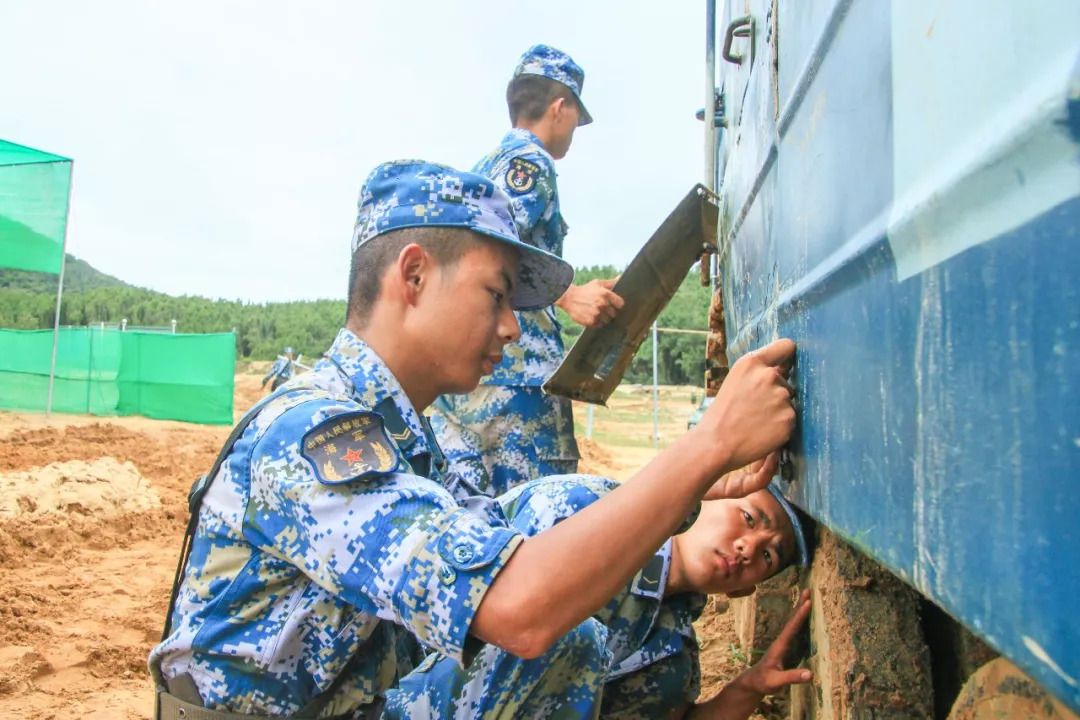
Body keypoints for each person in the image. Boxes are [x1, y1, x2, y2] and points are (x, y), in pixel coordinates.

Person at [149, 160, 799, 719]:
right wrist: (707, 443)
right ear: (413, 277)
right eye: (497, 294)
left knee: (570, 645)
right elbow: (519, 605)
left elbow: (528, 526)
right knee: (549, 634)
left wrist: (692, 488)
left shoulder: (412, 439)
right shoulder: (315, 436)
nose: (513, 328)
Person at [384, 472, 814, 719]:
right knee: (569, 636)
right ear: (711, 492)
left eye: (768, 556)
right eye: (748, 517)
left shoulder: (673, 659)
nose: (747, 548)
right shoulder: (584, 509)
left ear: (742, 590)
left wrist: (750, 687)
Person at [432, 44, 625, 497]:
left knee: (482, 517)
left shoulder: (486, 167)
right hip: (518, 381)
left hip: (476, 376)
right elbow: (489, 246)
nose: (575, 129)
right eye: (577, 116)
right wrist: (567, 295)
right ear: (561, 107)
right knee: (542, 513)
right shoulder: (529, 161)